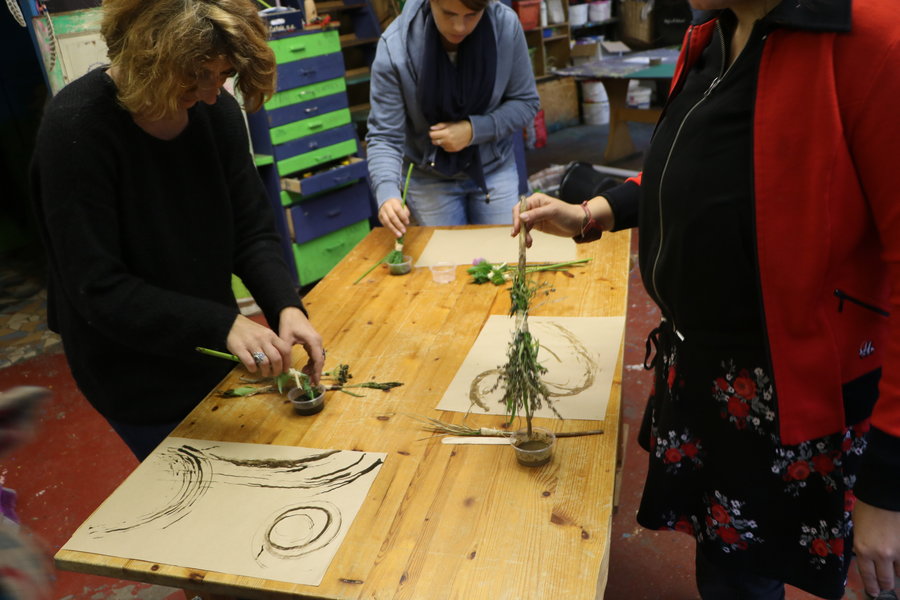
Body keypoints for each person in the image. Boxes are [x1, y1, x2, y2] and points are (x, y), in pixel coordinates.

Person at [512, 0, 900, 598]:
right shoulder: (715, 29)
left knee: (867, 576)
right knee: (729, 574)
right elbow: (696, 165)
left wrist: (890, 489)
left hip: (796, 399)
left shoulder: (872, 38)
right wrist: (597, 209)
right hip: (708, 384)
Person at [30, 0, 325, 461]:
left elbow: (250, 230)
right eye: (196, 76)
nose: (211, 94)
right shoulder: (76, 130)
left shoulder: (217, 114)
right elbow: (98, 289)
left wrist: (284, 304)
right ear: (149, 58)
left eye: (222, 75)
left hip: (207, 345)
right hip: (130, 370)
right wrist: (220, 323)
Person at [365, 0, 540, 238]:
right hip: (430, 178)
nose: (459, 27)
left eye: (471, 15)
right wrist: (387, 191)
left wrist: (473, 130)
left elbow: (526, 102)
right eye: (448, 14)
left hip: (494, 170)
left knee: (503, 262)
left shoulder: (505, 27)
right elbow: (385, 135)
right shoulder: (395, 47)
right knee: (447, 268)